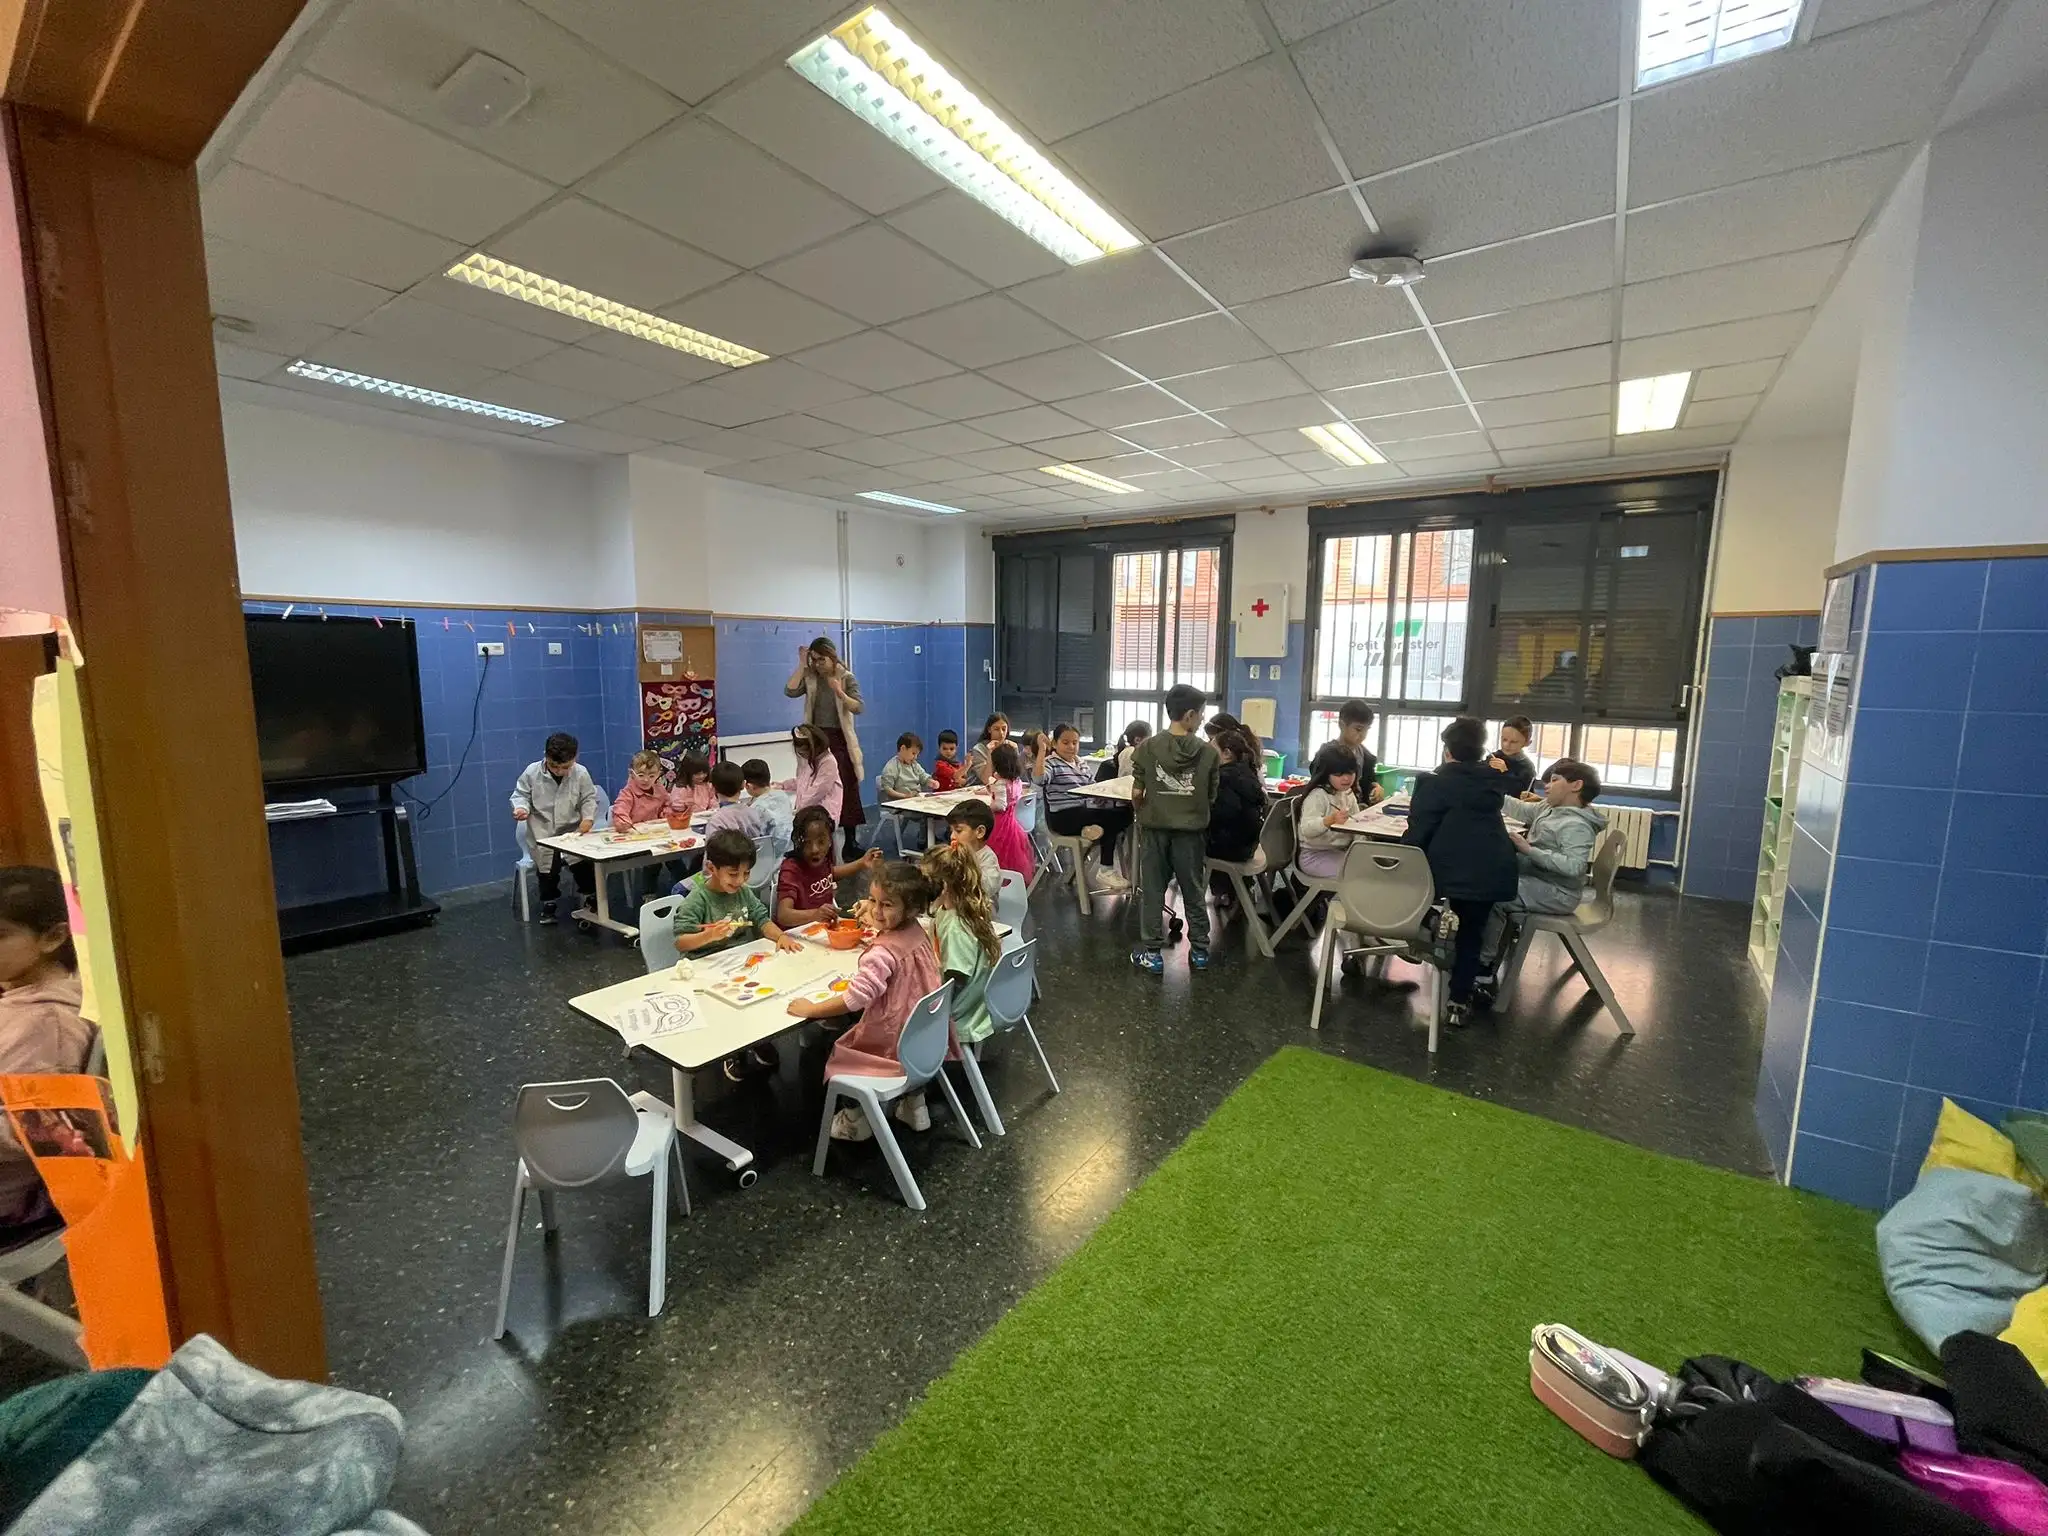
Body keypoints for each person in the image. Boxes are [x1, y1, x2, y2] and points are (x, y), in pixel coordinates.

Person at [788, 861, 945, 1140]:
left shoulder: (882, 953)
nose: (875, 910)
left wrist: (812, 1009)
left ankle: (856, 1119)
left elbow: (855, 999)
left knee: (835, 1044)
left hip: (893, 1044)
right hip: (924, 1037)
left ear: (910, 909)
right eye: (873, 900)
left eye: (886, 905)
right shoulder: (918, 930)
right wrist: (879, 915)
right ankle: (916, 1106)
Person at [0, 868, 97, 1238]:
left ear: (53, 936)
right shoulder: (21, 1000)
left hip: (11, 1205)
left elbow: (38, 1127)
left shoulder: (46, 1023)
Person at [1403, 718, 1518, 1025]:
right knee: (1472, 933)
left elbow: (1419, 831)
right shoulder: (1493, 780)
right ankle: (1458, 1000)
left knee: (1411, 894)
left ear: (1447, 751)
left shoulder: (1434, 783)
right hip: (1490, 868)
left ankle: (1428, 931)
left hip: (1447, 870)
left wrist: (1403, 852)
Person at [1129, 684, 1220, 974]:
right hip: (1191, 833)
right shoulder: (1209, 753)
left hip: (1155, 830)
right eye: (1201, 714)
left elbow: (1137, 792)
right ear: (1190, 715)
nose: (1202, 719)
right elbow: (1211, 796)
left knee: (1153, 891)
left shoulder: (1147, 748)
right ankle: (1200, 951)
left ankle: (1152, 954)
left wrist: (1144, 811)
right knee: (1193, 890)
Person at [785, 637, 866, 858]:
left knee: (847, 786)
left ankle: (850, 840)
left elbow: (859, 707)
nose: (818, 664)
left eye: (822, 659)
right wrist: (802, 665)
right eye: (814, 659)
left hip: (839, 737)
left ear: (832, 657)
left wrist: (840, 693)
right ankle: (817, 834)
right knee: (814, 784)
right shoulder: (811, 676)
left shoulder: (846, 677)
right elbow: (789, 691)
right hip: (816, 737)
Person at [511, 731, 600, 924]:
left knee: (583, 866)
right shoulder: (532, 772)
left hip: (573, 831)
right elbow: (521, 795)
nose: (559, 771)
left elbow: (588, 798)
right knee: (547, 871)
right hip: (543, 831)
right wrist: (521, 808)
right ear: (545, 756)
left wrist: (588, 818)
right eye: (554, 766)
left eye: (565, 767)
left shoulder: (580, 773)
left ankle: (590, 897)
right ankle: (549, 903)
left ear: (575, 758)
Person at [921, 843, 1001, 1050]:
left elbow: (955, 979)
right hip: (974, 1006)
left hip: (960, 1015)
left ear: (943, 886)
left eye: (925, 881)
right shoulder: (958, 909)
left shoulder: (956, 928)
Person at [1503, 759, 1606, 917]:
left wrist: (1529, 850)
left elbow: (1574, 866)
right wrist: (1492, 793)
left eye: (1554, 780)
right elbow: (1521, 809)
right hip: (1538, 878)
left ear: (1576, 786)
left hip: (1558, 893)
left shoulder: (1576, 825)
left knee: (1493, 892)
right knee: (1489, 880)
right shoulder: (1550, 807)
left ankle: (1491, 933)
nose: (1547, 786)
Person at [672, 831, 804, 956]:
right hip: (704, 961)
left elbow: (762, 920)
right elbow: (680, 943)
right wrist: (708, 936)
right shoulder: (697, 900)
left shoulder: (743, 891)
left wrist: (781, 936)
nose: (740, 880)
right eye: (733, 874)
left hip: (738, 956)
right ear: (711, 868)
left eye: (746, 873)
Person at [1041, 722, 1131, 893]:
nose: (1071, 747)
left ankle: (1088, 830)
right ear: (1054, 743)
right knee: (1110, 818)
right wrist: (1041, 751)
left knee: (1124, 812)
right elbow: (1039, 779)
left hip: (1083, 812)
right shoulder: (1050, 763)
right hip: (1062, 817)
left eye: (1075, 742)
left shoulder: (1081, 762)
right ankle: (1105, 869)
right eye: (1065, 742)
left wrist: (1100, 797)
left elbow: (1091, 786)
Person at [778, 805, 878, 930]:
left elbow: (830, 873)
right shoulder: (791, 869)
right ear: (798, 842)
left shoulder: (823, 859)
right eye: (807, 842)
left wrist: (862, 863)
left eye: (821, 842)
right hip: (797, 933)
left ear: (830, 841)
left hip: (823, 929)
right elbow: (783, 915)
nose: (815, 849)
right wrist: (815, 914)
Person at [1207, 724, 1269, 878]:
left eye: (1212, 749)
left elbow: (1223, 814)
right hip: (1248, 846)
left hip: (1228, 848)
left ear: (1227, 753)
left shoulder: (1223, 778)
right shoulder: (1248, 773)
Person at [1294, 742, 1362, 880]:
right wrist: (1329, 820)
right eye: (1339, 774)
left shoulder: (1348, 793)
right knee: (1357, 874)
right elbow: (1307, 829)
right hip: (1314, 856)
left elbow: (1357, 824)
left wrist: (1362, 846)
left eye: (1350, 772)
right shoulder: (1317, 796)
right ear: (1326, 774)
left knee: (1369, 868)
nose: (1346, 778)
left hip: (1340, 851)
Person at [874, 732, 937, 859]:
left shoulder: (914, 764)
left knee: (934, 809)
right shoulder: (891, 767)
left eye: (917, 754)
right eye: (913, 753)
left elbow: (922, 776)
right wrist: (904, 796)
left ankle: (928, 837)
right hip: (898, 802)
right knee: (926, 814)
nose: (915, 757)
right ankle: (923, 841)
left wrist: (931, 781)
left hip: (913, 799)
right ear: (903, 749)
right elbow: (888, 790)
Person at [984, 742, 1036, 884]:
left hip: (1000, 822)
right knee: (1012, 854)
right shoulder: (1016, 781)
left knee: (998, 851)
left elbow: (1000, 805)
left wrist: (987, 807)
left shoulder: (1001, 783)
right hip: (1013, 821)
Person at [945, 799, 1002, 900]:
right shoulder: (954, 852)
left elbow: (987, 889)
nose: (952, 836)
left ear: (980, 832)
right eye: (951, 831)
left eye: (958, 830)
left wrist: (965, 866)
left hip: (980, 908)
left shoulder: (988, 858)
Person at [1334, 701, 1386, 805]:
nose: (1363, 735)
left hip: (1361, 809)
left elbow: (1369, 781)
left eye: (1366, 730)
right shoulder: (1328, 756)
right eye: (1358, 729)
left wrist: (1376, 788)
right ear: (1342, 725)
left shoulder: (1364, 755)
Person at [791, 723, 843, 825]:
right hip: (808, 811)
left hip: (823, 816)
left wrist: (798, 811)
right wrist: (782, 785)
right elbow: (802, 781)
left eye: (803, 753)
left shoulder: (828, 762)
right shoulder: (810, 760)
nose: (803, 756)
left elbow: (817, 792)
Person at [704, 760, 766, 841]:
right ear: (743, 784)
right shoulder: (754, 813)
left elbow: (711, 848)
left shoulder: (716, 822)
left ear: (712, 787)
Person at [611, 750, 671, 831]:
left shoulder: (660, 790)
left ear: (658, 774)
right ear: (632, 773)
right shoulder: (628, 793)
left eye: (651, 776)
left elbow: (668, 805)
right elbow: (620, 811)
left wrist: (666, 815)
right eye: (641, 775)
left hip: (654, 831)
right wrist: (623, 822)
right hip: (634, 831)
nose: (646, 779)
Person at [741, 758, 794, 849]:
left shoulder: (756, 808)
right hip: (788, 848)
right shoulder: (783, 795)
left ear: (748, 785)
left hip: (769, 853)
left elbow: (753, 836)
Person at [1489, 716, 1538, 799]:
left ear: (1527, 743)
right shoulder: (1493, 757)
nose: (1506, 745)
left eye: (1513, 742)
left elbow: (1523, 795)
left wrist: (1505, 772)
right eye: (1504, 739)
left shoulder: (1527, 767)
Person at [668, 753, 715, 818]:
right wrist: (686, 805)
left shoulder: (708, 785)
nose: (702, 776)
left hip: (706, 817)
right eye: (697, 774)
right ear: (687, 772)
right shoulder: (681, 787)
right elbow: (676, 807)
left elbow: (713, 800)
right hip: (686, 819)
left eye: (704, 772)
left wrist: (711, 810)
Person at [967, 713, 1009, 784]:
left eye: (1004, 729)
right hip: (978, 787)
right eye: (996, 729)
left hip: (1001, 787)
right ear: (989, 729)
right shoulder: (978, 749)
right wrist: (990, 752)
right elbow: (986, 780)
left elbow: (1015, 776)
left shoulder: (1010, 746)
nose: (1001, 733)